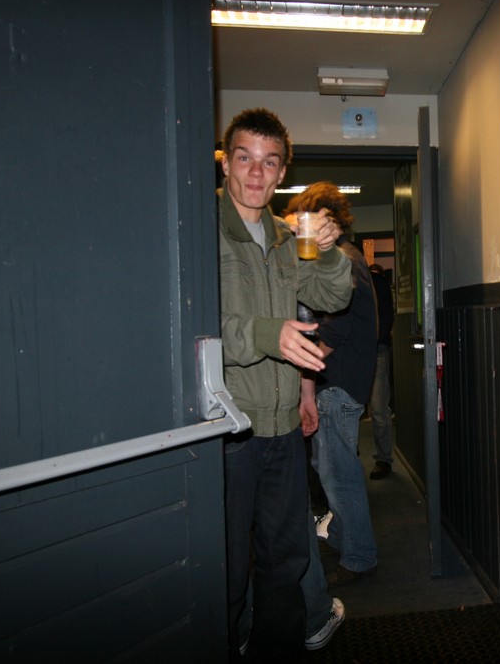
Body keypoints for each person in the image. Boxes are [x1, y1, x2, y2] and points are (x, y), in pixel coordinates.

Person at [217, 108, 353, 661]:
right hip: (227, 428)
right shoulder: (201, 228)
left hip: (281, 429)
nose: (256, 173)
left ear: (281, 172)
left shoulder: (284, 235)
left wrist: (328, 249)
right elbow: (192, 329)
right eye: (245, 158)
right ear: (226, 163)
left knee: (286, 558)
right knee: (226, 567)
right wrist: (266, 334)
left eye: (269, 162)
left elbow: (332, 296)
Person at [285, 182, 379, 588]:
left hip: (337, 383)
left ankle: (359, 557)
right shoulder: (349, 257)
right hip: (339, 382)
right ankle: (343, 536)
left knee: (339, 475)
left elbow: (335, 331)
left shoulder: (344, 260)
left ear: (332, 221)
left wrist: (303, 369)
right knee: (332, 470)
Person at [367, 263, 396, 480]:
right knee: (373, 409)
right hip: (364, 351)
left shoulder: (377, 282)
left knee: (378, 408)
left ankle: (384, 459)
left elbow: (386, 318)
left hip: (376, 350)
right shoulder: (375, 282)